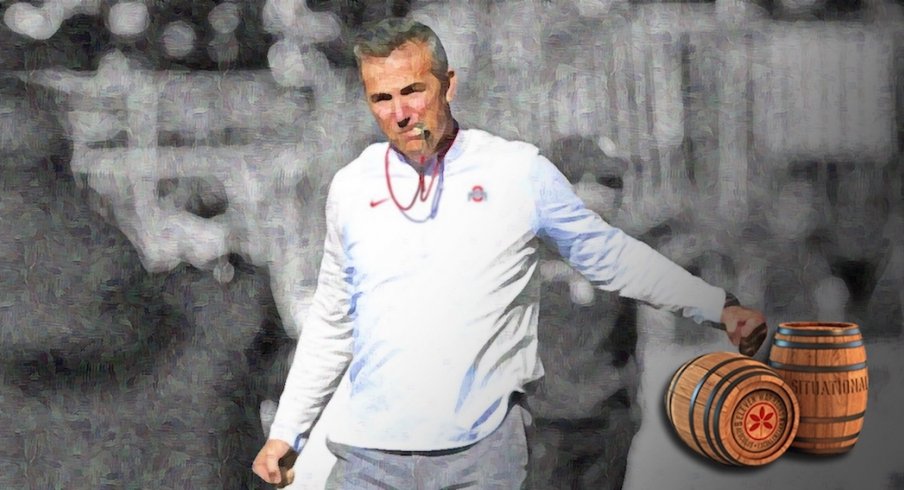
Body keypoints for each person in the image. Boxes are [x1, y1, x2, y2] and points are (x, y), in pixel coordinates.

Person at [252, 18, 765, 489]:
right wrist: (288, 430)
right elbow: (331, 320)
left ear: (447, 86)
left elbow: (614, 255)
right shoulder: (352, 187)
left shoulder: (516, 174)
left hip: (481, 451)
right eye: (381, 98)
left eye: (413, 91)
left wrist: (714, 305)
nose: (400, 112)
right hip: (374, 452)